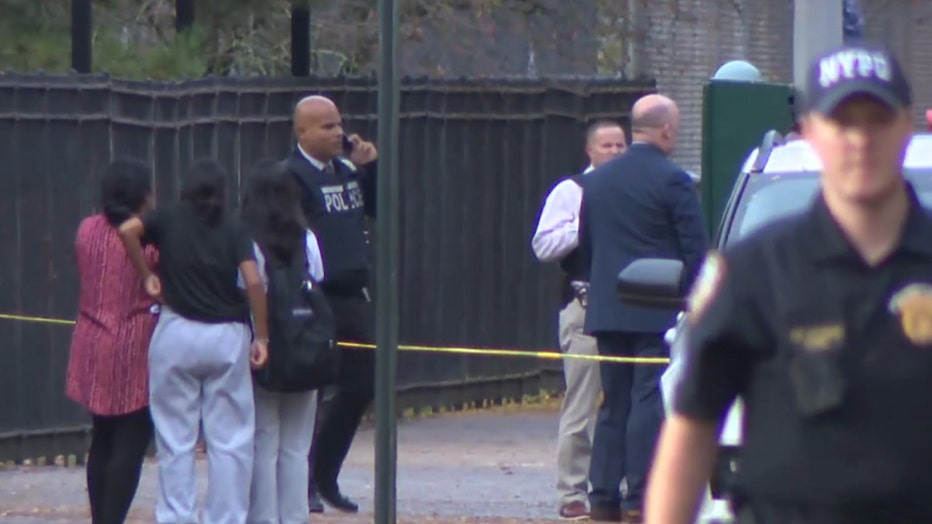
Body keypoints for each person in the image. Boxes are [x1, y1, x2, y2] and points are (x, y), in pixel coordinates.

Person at [645, 44, 932, 524]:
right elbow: (692, 427)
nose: (860, 140)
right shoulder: (755, 269)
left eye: (876, 120)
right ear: (813, 132)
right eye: (843, 122)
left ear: (906, 126)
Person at [118, 159, 270, 524]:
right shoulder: (235, 228)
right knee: (231, 439)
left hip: (176, 331)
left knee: (175, 437)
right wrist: (261, 334)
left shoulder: (168, 218)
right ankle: (227, 516)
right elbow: (253, 280)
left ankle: (176, 516)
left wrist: (147, 276)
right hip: (227, 335)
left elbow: (127, 229)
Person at [579, 94, 707, 523]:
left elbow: (589, 246)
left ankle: (601, 496)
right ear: (667, 129)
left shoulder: (597, 181)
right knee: (647, 400)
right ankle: (640, 494)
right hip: (657, 311)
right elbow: (696, 251)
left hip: (608, 310)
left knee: (613, 403)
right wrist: (692, 297)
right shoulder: (674, 181)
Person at [284, 95, 379, 514]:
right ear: (302, 132)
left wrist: (370, 169)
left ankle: (326, 473)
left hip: (353, 293)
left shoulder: (347, 171)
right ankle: (302, 481)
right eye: (326, 127)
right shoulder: (293, 175)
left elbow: (376, 210)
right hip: (316, 294)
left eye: (339, 124)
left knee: (361, 384)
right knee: (313, 389)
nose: (338, 133)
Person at [532, 120, 627, 520]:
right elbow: (543, 245)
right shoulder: (571, 191)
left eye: (621, 144)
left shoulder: (632, 191)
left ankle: (619, 484)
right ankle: (572, 490)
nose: (614, 151)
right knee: (582, 402)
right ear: (589, 151)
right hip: (585, 304)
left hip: (629, 304)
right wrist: (582, 225)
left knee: (626, 401)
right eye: (606, 145)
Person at [65, 159, 158, 524]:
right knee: (131, 442)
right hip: (136, 342)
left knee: (101, 437)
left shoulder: (86, 230)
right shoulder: (149, 239)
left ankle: (99, 518)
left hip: (90, 339)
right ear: (143, 195)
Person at [240, 160, 326, 524]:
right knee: (296, 446)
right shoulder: (307, 239)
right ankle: (295, 517)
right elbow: (319, 281)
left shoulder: (249, 242)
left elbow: (244, 288)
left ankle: (263, 517)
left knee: (264, 440)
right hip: (304, 348)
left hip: (265, 349)